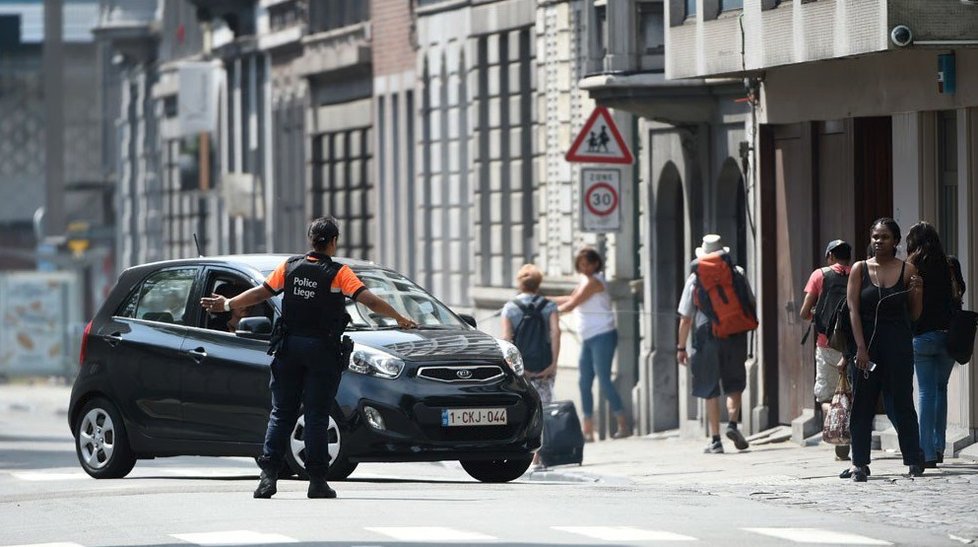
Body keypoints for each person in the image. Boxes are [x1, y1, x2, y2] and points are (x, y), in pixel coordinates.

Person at [201, 217, 417, 499]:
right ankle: (317, 482)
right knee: (316, 415)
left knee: (281, 414)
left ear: (310, 240)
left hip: (288, 349)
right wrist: (399, 317)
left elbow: (261, 293)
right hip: (321, 352)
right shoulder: (339, 273)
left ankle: (268, 479)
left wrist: (228, 303)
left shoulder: (289, 267)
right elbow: (369, 300)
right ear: (334, 241)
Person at [843, 217, 924, 482]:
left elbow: (914, 315)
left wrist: (917, 293)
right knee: (862, 405)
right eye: (875, 237)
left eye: (885, 237)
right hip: (866, 344)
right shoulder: (859, 269)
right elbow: (853, 310)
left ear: (896, 241)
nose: (879, 242)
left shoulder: (907, 270)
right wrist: (860, 348)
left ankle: (913, 459)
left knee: (902, 402)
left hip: (898, 344)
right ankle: (859, 463)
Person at [676, 234, 753, 454]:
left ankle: (716, 440)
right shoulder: (737, 272)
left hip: (706, 335)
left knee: (709, 387)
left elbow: (686, 318)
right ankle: (732, 423)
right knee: (734, 382)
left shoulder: (695, 277)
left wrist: (681, 347)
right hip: (734, 332)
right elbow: (750, 301)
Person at [906, 221, 966, 468]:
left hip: (922, 336)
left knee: (925, 393)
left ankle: (927, 453)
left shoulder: (912, 266)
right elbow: (960, 291)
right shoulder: (951, 264)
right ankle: (939, 447)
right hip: (949, 336)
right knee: (941, 390)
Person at [554, 247, 630, 441]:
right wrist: (542, 300)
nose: (584, 268)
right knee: (584, 381)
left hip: (603, 335)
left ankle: (623, 424)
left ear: (596, 263)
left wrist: (548, 312)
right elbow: (570, 299)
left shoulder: (595, 282)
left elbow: (572, 305)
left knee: (603, 380)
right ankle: (587, 430)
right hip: (588, 337)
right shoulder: (584, 281)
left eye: (587, 264)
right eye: (581, 265)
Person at [501, 264, 560, 468]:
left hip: (522, 366)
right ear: (538, 283)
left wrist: (515, 367)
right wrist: (552, 364)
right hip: (544, 364)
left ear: (520, 283)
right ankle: (540, 456)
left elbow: (507, 338)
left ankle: (525, 449)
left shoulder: (510, 307)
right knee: (544, 407)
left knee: (525, 408)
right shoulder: (549, 306)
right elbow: (555, 333)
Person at [799, 239, 853, 461]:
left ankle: (834, 423)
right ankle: (849, 429)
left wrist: (821, 317)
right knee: (852, 393)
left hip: (826, 343)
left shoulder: (819, 275)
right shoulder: (858, 272)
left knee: (826, 395)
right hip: (852, 344)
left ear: (830, 255)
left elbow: (804, 312)